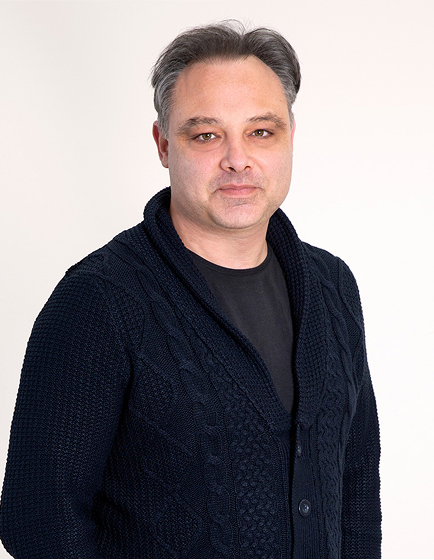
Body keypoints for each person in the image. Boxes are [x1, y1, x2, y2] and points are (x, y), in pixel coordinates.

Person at [0, 20, 381, 559]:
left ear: (290, 137)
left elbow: (356, 485)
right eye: (206, 135)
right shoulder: (99, 302)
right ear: (162, 144)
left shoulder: (332, 286)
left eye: (261, 132)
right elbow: (38, 520)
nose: (237, 159)